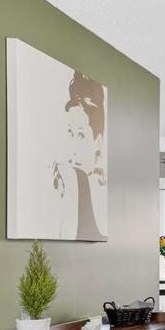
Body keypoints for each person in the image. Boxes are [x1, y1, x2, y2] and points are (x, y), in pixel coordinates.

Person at [52, 71, 107, 240]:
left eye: (81, 135)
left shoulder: (99, 196)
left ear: (97, 143)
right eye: (70, 133)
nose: (73, 148)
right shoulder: (64, 179)